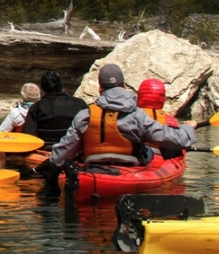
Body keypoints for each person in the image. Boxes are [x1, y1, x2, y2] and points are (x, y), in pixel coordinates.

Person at [36, 64, 196, 186]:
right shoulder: (137, 115)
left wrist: (52, 166)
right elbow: (175, 138)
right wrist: (188, 128)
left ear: (100, 88)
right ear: (124, 86)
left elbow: (66, 148)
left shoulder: (86, 114)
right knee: (148, 150)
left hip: (91, 168)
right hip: (129, 170)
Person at [22, 70, 87, 145]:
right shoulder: (79, 104)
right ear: (61, 86)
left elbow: (29, 136)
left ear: (42, 89)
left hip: (45, 150)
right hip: (74, 149)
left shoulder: (36, 107)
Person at [137, 78, 182, 159]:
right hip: (160, 157)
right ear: (162, 98)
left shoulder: (131, 116)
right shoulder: (170, 121)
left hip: (137, 155)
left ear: (140, 95)